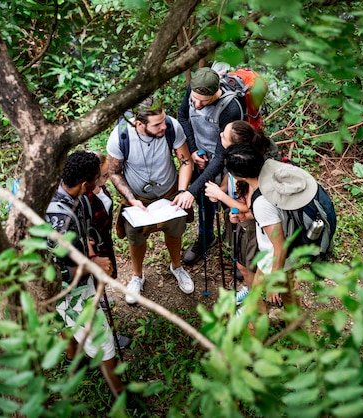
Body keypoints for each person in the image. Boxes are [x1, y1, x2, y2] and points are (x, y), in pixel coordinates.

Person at [45, 150, 130, 404]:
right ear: (85, 183)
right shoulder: (58, 220)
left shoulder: (79, 198)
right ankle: (119, 395)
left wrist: (90, 249)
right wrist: (93, 265)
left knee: (71, 326)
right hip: (68, 289)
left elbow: (85, 231)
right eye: (97, 179)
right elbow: (57, 272)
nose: (99, 183)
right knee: (102, 341)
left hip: (83, 274)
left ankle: (74, 357)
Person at [107, 97, 194, 304]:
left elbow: (186, 161)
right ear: (140, 124)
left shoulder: (171, 127)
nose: (164, 126)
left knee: (174, 231)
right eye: (157, 124)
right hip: (137, 198)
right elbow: (114, 172)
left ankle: (177, 266)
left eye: (163, 120)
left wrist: (182, 191)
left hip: (170, 192)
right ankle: (137, 276)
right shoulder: (120, 137)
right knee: (136, 238)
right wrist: (130, 199)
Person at [175, 67, 246, 265]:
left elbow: (221, 155)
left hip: (226, 162)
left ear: (215, 92)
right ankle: (205, 238)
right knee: (204, 202)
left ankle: (237, 250)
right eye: (194, 99)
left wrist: (190, 190)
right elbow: (183, 116)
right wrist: (193, 150)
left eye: (203, 102)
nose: (197, 105)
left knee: (230, 205)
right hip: (202, 155)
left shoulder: (230, 108)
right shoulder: (194, 88)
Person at [203, 121, 278, 306]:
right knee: (241, 264)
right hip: (237, 217)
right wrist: (221, 191)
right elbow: (230, 180)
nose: (220, 135)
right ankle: (249, 287)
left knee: (250, 265)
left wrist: (220, 195)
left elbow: (252, 207)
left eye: (224, 136)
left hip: (253, 226)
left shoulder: (255, 170)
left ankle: (254, 301)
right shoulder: (235, 159)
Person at [224, 144, 304, 315]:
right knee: (289, 289)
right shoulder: (272, 178)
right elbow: (276, 215)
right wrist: (247, 217)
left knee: (256, 306)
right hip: (291, 254)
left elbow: (279, 246)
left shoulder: (261, 202)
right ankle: (295, 323)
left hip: (273, 260)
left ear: (238, 176)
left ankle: (255, 336)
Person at [82, 152, 131, 349]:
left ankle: (101, 297)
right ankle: (108, 335)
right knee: (92, 287)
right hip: (93, 252)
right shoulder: (83, 198)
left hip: (105, 243)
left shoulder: (100, 188)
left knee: (103, 282)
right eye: (103, 176)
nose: (107, 178)